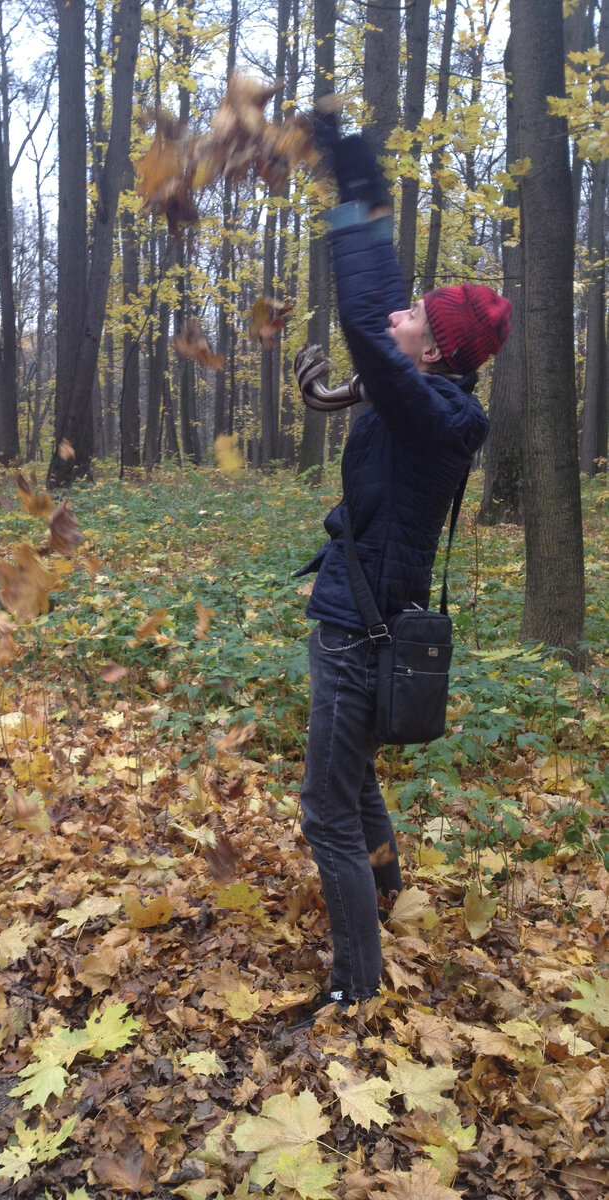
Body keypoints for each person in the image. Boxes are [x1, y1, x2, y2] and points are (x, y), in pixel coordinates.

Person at [293, 120, 512, 1011]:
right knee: (353, 782)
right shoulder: (428, 398)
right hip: (358, 609)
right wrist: (359, 182)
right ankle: (386, 892)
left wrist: (352, 200)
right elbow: (377, 320)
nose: (401, 314)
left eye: (417, 317)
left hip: (361, 628)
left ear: (435, 352)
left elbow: (362, 319)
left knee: (326, 809)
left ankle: (357, 987)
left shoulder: (431, 413)